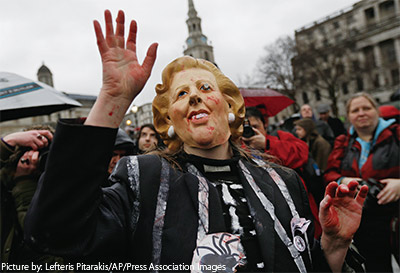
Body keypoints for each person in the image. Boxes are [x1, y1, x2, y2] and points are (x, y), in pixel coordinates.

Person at [25, 10, 368, 272]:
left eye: (205, 89)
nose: (194, 98)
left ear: (231, 106)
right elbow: (56, 231)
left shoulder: (283, 180)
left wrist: (334, 245)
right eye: (181, 94)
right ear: (169, 120)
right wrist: (113, 98)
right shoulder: (142, 178)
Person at [324, 92, 400, 272]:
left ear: (377, 111)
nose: (361, 113)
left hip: (396, 215)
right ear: (349, 116)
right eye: (355, 110)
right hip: (364, 220)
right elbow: (329, 174)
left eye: (366, 108)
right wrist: (343, 179)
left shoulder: (396, 133)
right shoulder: (343, 142)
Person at [1, 127, 63, 266]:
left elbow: (39, 237)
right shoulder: (5, 184)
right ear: (17, 158)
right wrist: (8, 142)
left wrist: (24, 184)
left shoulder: (62, 189)